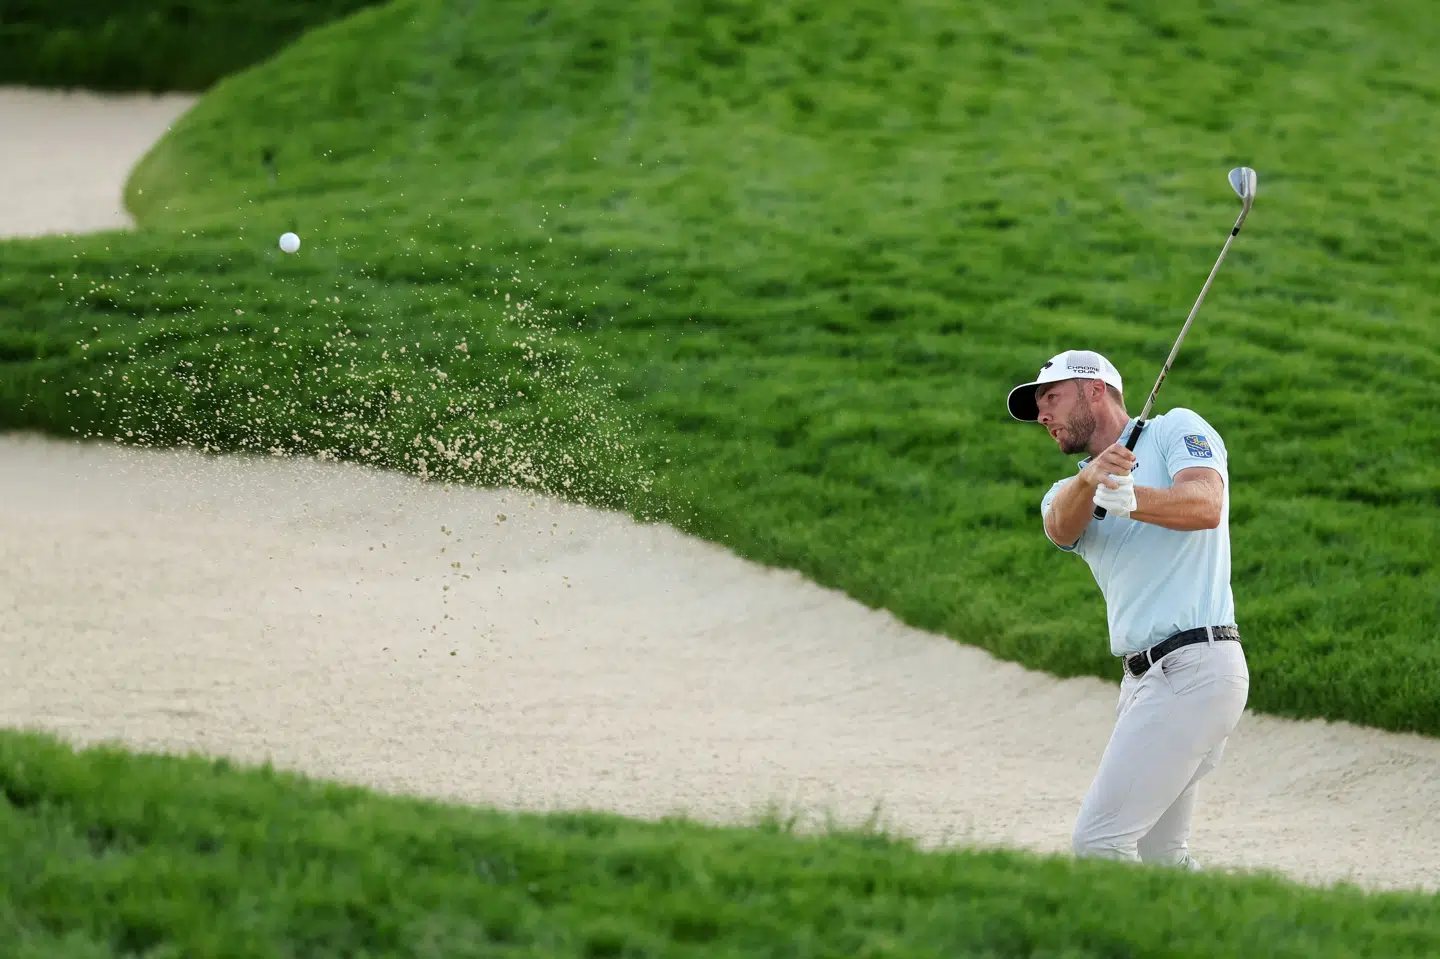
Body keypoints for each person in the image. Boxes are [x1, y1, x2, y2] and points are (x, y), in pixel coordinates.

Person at [1006, 348, 1250, 871]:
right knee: (1161, 855)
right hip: (1143, 683)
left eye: (1051, 398)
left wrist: (1132, 496)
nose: (1043, 415)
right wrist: (1093, 480)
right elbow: (1060, 526)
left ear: (1095, 391)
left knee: (1098, 843)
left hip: (1196, 667)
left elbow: (1206, 505)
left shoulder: (1174, 430)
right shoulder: (1069, 490)